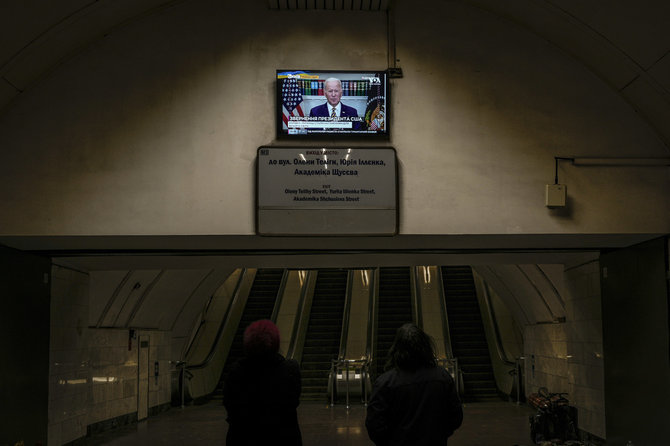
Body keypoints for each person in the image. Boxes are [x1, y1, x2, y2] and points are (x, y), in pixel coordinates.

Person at [366, 323, 463, 446]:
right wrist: (439, 434)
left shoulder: (385, 383)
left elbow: (374, 425)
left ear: (396, 348)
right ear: (426, 346)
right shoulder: (443, 377)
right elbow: (456, 417)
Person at [223, 319, 302, 445]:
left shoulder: (236, 372)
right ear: (275, 343)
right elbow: (293, 401)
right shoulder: (290, 369)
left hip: (242, 436)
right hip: (283, 436)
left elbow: (229, 404)